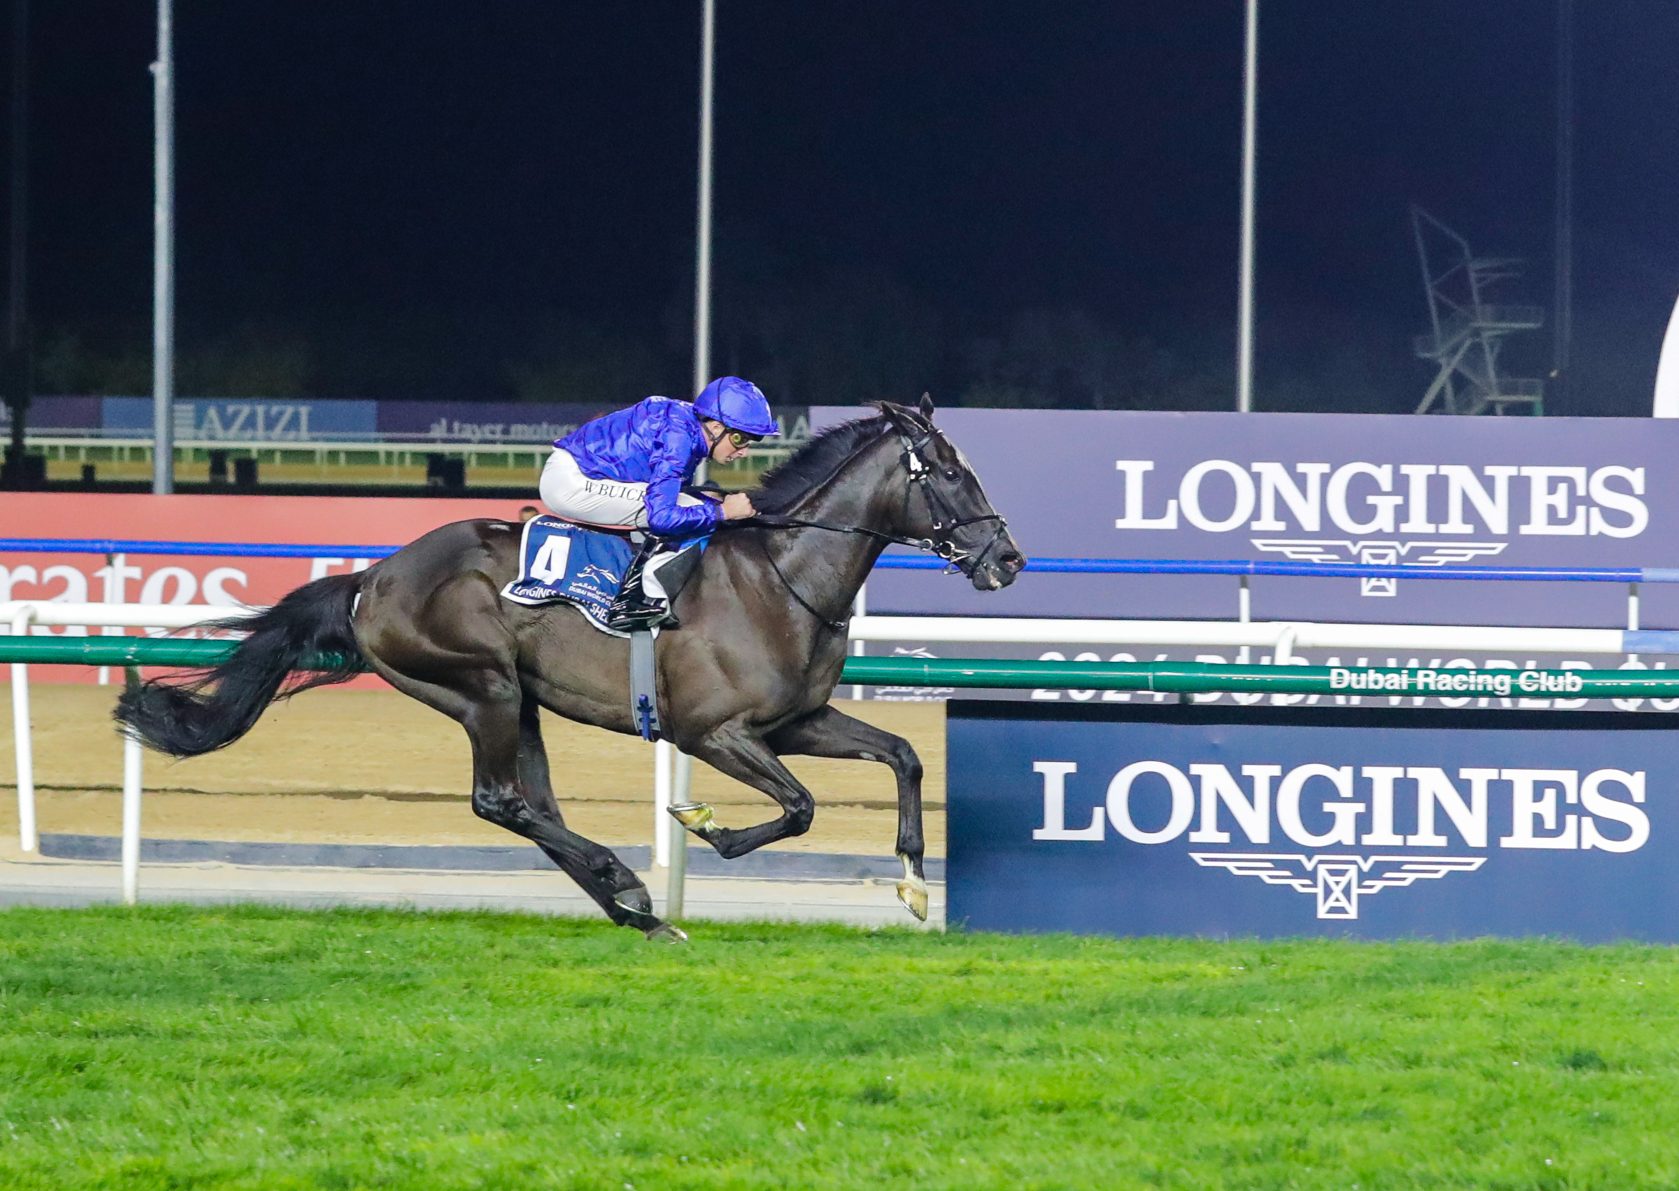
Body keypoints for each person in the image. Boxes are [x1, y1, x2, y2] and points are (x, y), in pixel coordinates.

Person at [539, 376, 775, 537]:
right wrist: (724, 512)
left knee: (697, 507)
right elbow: (662, 518)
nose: (744, 451)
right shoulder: (678, 439)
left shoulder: (688, 428)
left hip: (579, 473)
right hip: (571, 481)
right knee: (692, 509)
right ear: (715, 427)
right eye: (740, 439)